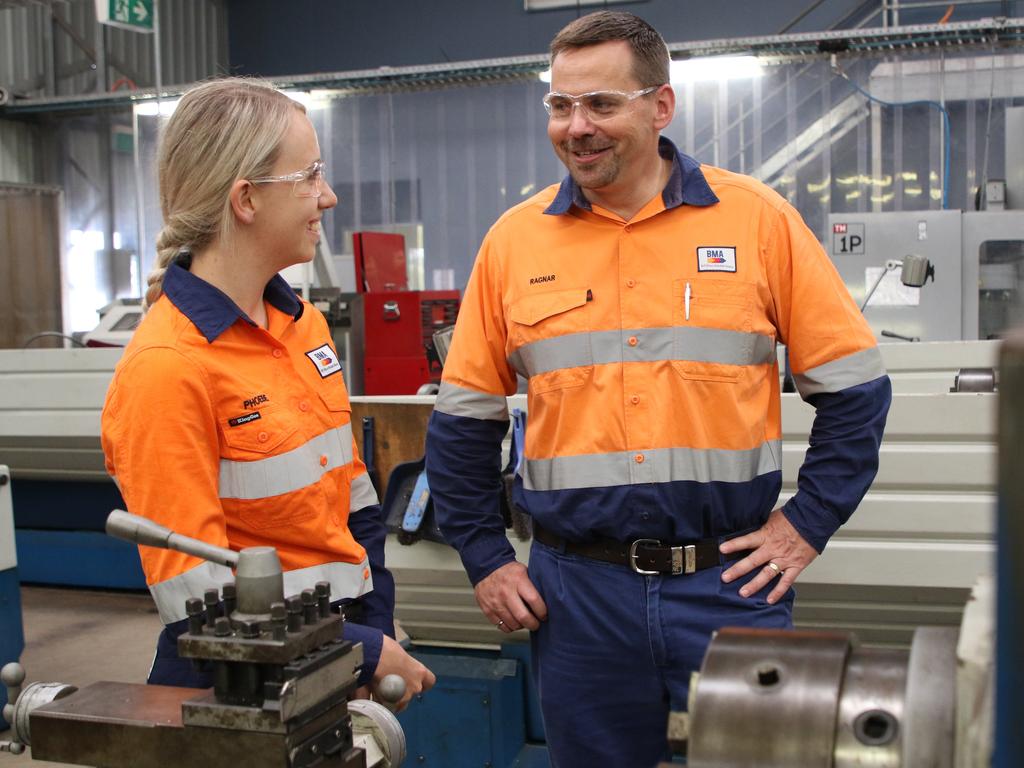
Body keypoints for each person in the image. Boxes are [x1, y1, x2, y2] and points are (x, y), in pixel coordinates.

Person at [425, 10, 890, 767]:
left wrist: (805, 525)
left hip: (729, 585)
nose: (577, 127)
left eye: (601, 105)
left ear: (659, 106)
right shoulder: (515, 242)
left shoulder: (758, 222)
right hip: (578, 598)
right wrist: (484, 555)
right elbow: (462, 421)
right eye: (560, 105)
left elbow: (856, 391)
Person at [101, 78, 434, 710]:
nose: (327, 196)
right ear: (246, 199)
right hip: (234, 688)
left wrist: (375, 628)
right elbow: (198, 604)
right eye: (308, 175)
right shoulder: (167, 368)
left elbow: (352, 498)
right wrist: (363, 648)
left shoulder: (300, 323)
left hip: (330, 658)